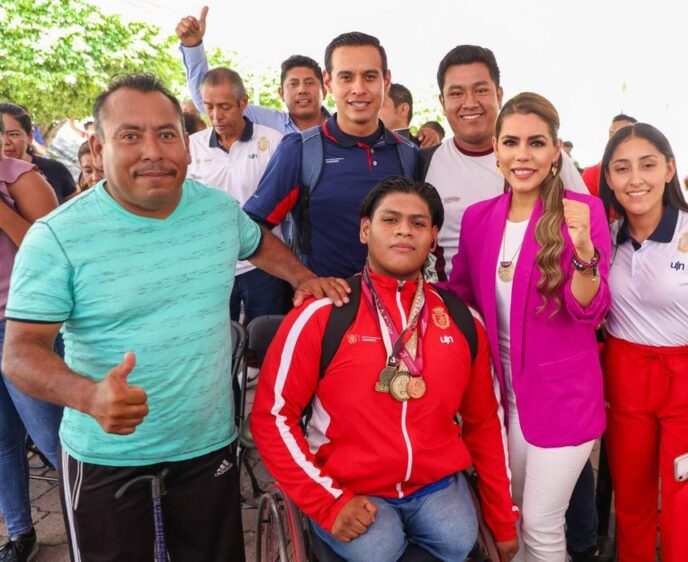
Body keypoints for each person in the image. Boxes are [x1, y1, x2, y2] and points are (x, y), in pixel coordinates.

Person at [1, 73, 350, 562]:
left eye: (167, 134)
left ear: (187, 146)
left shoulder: (218, 211)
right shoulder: (58, 236)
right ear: (99, 148)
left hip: (207, 448)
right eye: (130, 135)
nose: (153, 151)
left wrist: (302, 277)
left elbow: (257, 242)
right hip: (107, 459)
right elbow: (19, 354)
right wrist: (88, 396)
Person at [252, 175, 520, 562]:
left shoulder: (462, 320)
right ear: (365, 229)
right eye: (390, 220)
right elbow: (272, 418)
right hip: (348, 486)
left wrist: (503, 520)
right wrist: (328, 503)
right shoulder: (322, 314)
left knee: (458, 538)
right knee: (378, 547)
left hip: (434, 484)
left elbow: (485, 424)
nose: (403, 231)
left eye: (418, 223)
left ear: (433, 237)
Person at [448, 92, 611, 561]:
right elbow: (461, 295)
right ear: (496, 150)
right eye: (512, 142)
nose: (523, 155)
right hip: (501, 400)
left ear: (555, 150)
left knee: (541, 524)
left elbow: (590, 310)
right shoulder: (479, 218)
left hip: (564, 399)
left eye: (536, 143)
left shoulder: (582, 211)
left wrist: (583, 252)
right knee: (512, 518)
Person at [599, 123, 688, 562]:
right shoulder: (606, 238)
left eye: (647, 165)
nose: (635, 179)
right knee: (631, 500)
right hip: (625, 379)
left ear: (669, 169)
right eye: (621, 168)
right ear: (608, 178)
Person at [244, 32, 418, 279]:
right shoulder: (300, 151)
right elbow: (248, 228)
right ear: (328, 82)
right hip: (330, 302)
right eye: (346, 77)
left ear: (386, 81)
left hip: (399, 300)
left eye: (370, 77)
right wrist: (304, 279)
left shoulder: (409, 154)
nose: (359, 89)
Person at [420, 45, 588, 280]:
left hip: (540, 294)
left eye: (481, 90)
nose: (470, 103)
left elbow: (589, 228)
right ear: (442, 101)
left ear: (499, 95)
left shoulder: (546, 159)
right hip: (458, 297)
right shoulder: (425, 163)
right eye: (456, 93)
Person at [0, 114, 61, 562]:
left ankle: (101, 521)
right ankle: (21, 533)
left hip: (19, 323)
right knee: (2, 441)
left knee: (52, 437)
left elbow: (51, 250)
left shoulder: (20, 176)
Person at [187, 66, 287, 320]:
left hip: (265, 264)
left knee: (267, 337)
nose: (216, 116)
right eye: (209, 107)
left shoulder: (272, 142)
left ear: (243, 102)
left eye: (225, 106)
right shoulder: (193, 147)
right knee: (218, 338)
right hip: (213, 267)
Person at [176, 6, 330, 134]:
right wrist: (193, 45)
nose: (302, 90)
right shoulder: (266, 122)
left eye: (309, 82)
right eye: (293, 84)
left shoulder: (340, 128)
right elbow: (206, 98)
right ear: (281, 93)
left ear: (324, 91)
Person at [1, 104, 78, 203]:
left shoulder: (55, 169)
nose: (5, 142)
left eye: (13, 134)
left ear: (30, 137)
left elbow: (76, 209)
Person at [581, 113, 637, 196]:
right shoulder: (592, 174)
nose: (614, 140)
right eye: (611, 134)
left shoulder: (651, 170)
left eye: (622, 134)